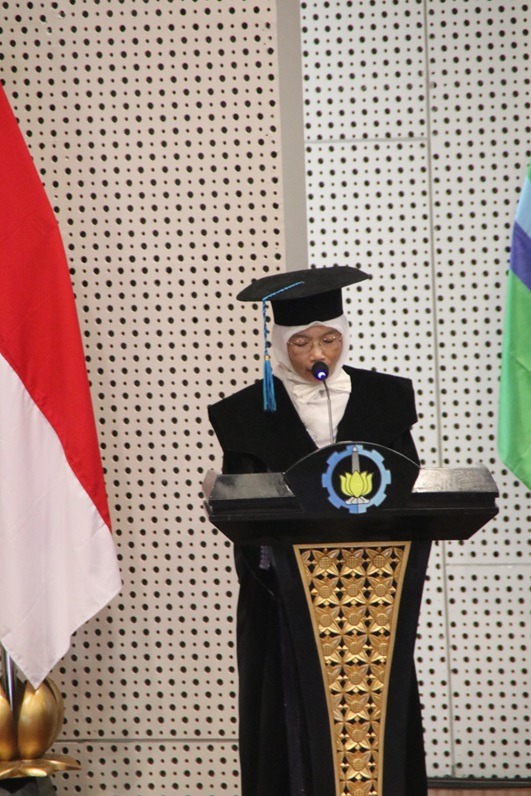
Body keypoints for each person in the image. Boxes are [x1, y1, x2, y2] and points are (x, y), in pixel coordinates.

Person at [208, 266, 428, 796]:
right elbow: (243, 511)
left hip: (374, 596)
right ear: (280, 346)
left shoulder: (386, 398)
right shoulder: (244, 414)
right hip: (285, 597)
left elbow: (410, 486)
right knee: (291, 723)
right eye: (302, 343)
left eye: (329, 339)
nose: (318, 353)